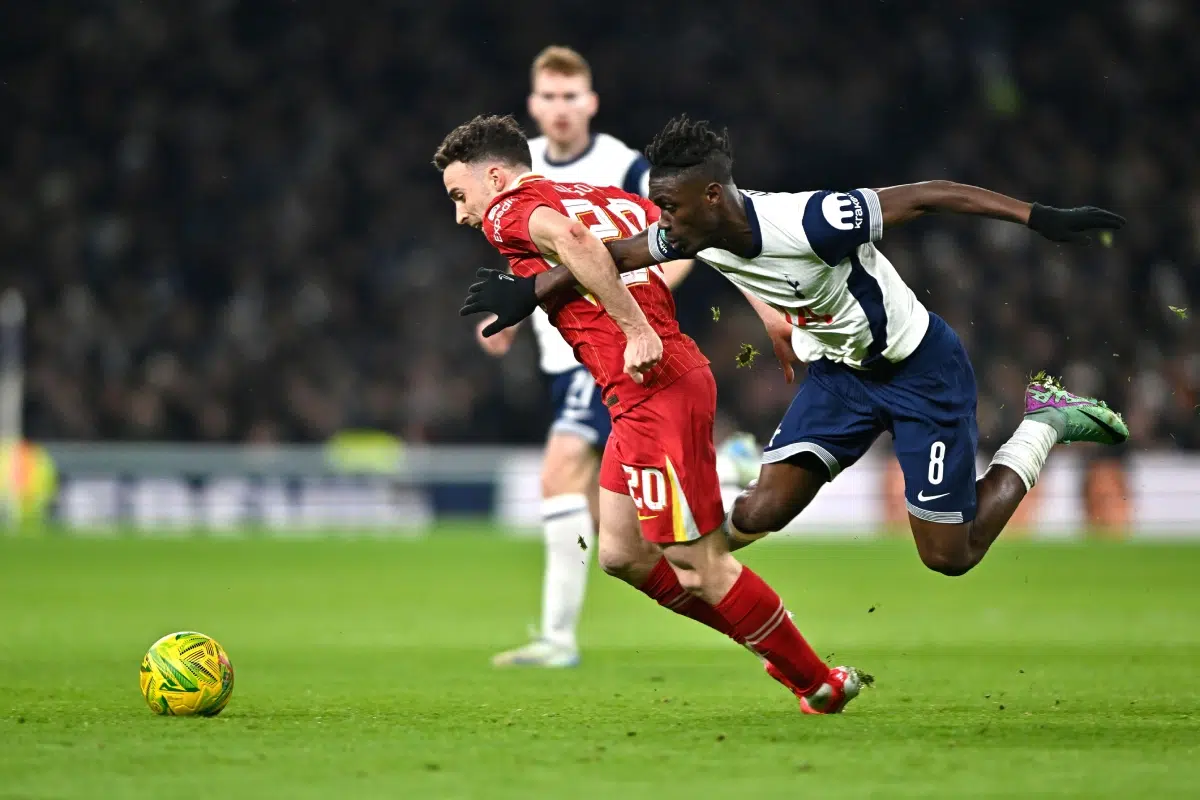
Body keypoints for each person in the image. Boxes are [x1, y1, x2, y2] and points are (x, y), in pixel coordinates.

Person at [459, 115, 1129, 587]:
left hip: (920, 369)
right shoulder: (691, 232)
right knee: (756, 515)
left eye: (669, 206)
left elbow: (928, 196)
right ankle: (726, 493)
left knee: (950, 556)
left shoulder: (811, 219)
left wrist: (1039, 217)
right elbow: (610, 255)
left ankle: (1044, 423)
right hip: (839, 378)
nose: (662, 221)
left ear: (711, 195)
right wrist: (530, 291)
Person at [435, 113, 864, 714]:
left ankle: (818, 681)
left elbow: (579, 247)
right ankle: (772, 641)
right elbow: (702, 232)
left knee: (698, 567)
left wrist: (635, 329)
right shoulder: (601, 197)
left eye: (460, 195)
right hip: (645, 393)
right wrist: (768, 310)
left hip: (653, 386)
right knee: (622, 554)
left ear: (496, 176)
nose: (461, 214)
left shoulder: (510, 211)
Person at [482, 47, 694, 669]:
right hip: (563, 352)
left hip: (610, 344)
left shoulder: (622, 164)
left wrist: (631, 305)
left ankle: (556, 639)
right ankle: (732, 496)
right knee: (620, 532)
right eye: (548, 97)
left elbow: (676, 240)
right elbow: (530, 253)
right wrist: (510, 322)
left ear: (591, 103)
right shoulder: (520, 171)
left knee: (561, 469)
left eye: (571, 97)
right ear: (532, 105)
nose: (560, 108)